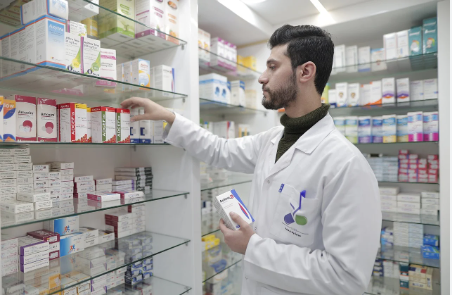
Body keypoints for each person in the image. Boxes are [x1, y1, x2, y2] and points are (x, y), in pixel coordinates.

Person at [121, 25, 381, 295]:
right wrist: (169, 117)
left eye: (272, 67)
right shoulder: (271, 140)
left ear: (305, 72)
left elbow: (347, 278)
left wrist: (252, 247)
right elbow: (218, 149)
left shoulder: (346, 164)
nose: (261, 78)